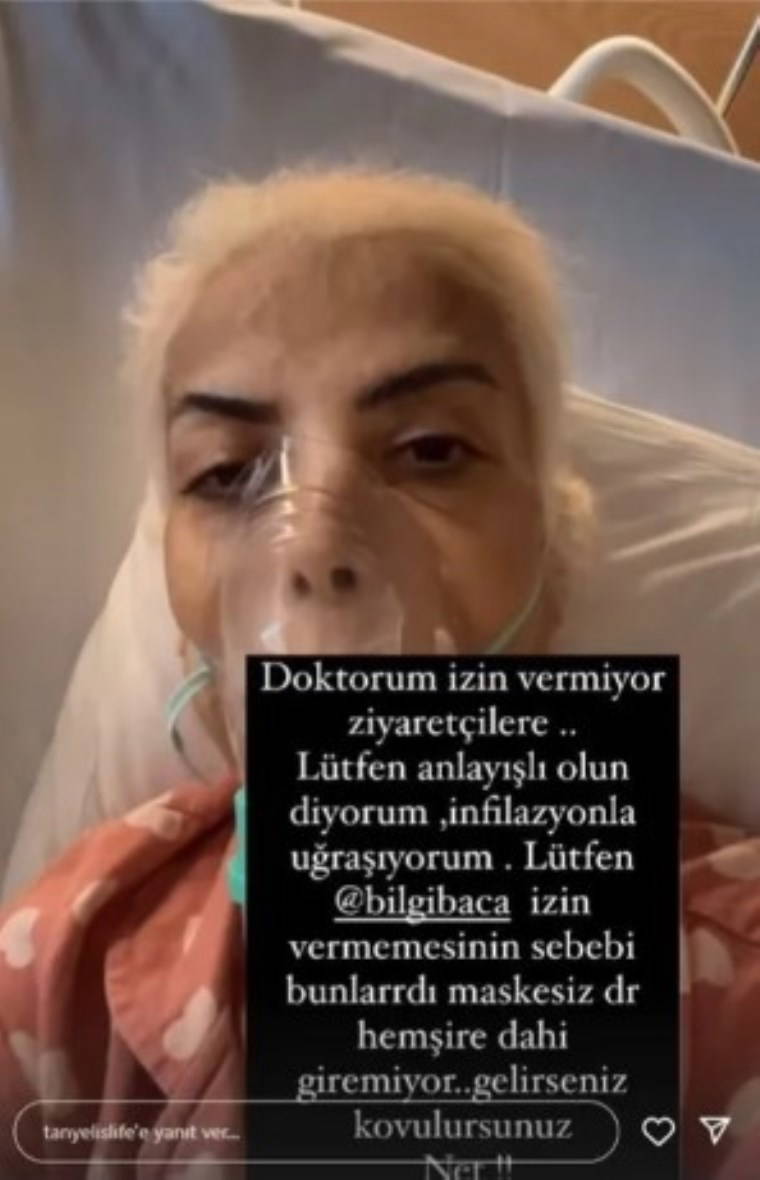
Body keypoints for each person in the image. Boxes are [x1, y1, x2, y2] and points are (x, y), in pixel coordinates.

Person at [0, 169, 754, 1180]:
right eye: (226, 472)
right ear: (185, 645)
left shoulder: (735, 990)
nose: (315, 542)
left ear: (555, 557)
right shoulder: (65, 967)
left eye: (431, 450)